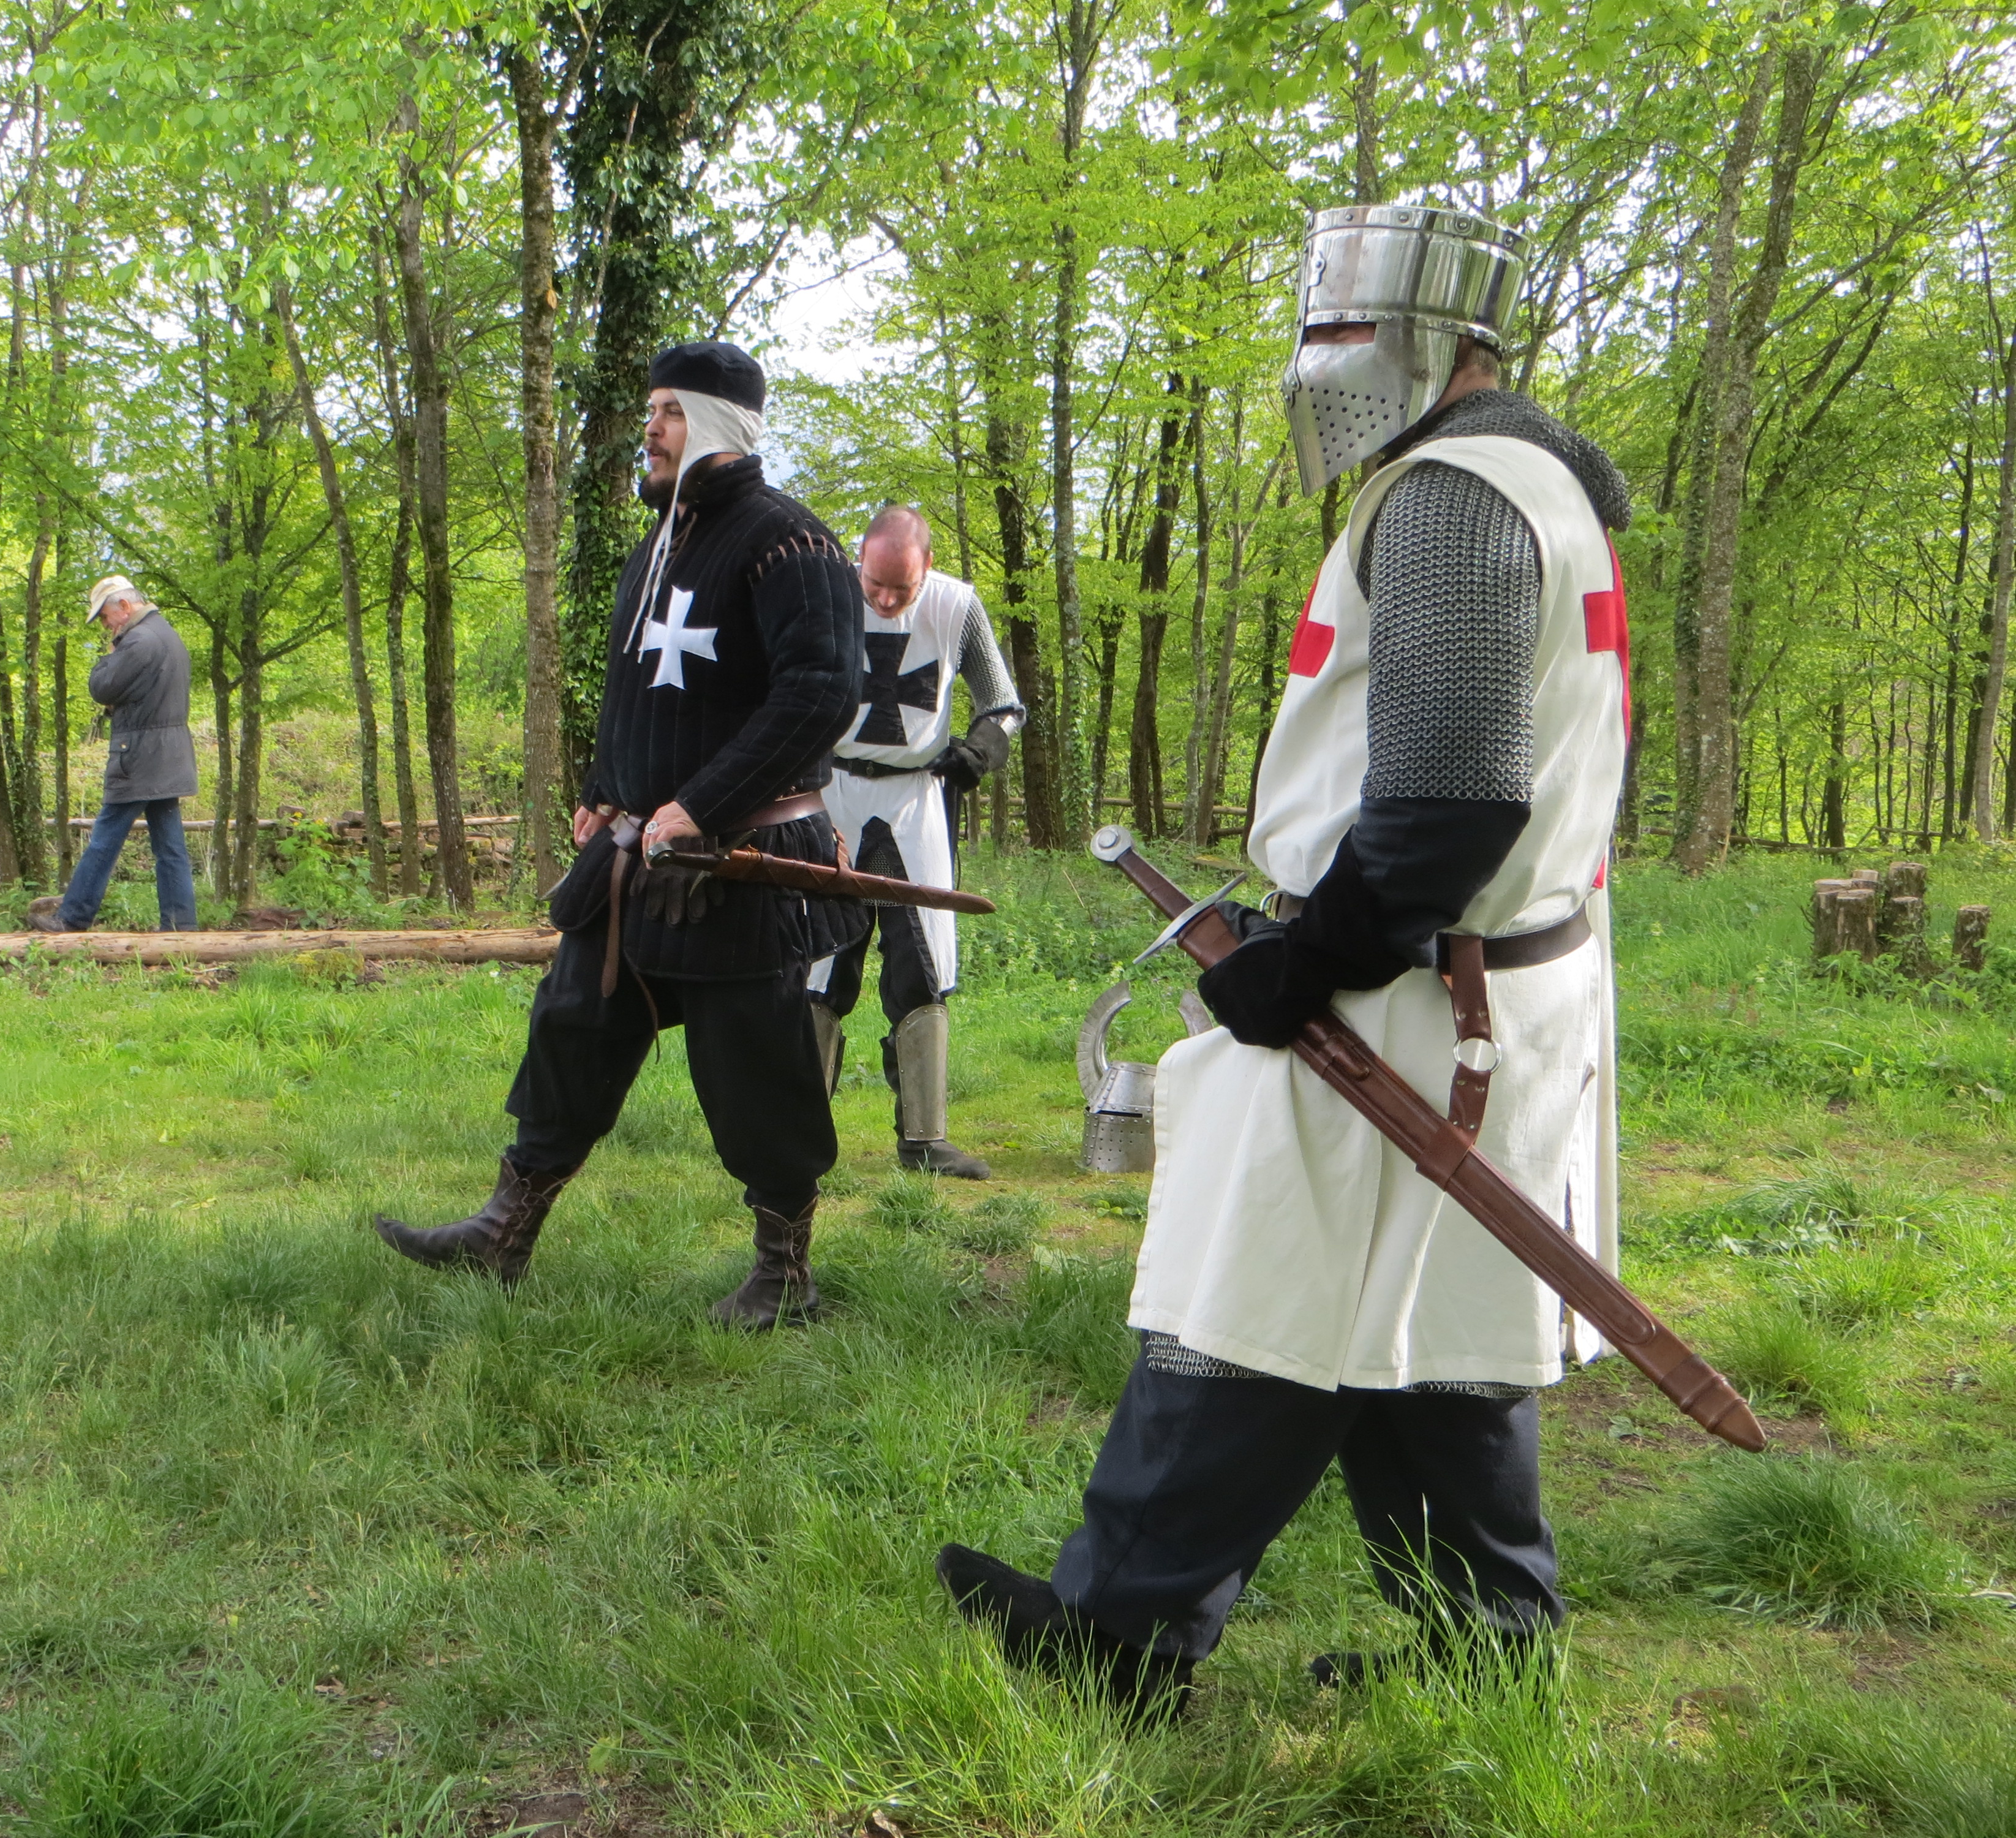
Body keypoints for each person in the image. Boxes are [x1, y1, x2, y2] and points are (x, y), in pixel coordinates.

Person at [937, 203, 1633, 1710]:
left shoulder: (1452, 494)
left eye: (1343, 331)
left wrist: (1308, 955)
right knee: (1427, 1313)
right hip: (1482, 983)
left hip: (1409, 987)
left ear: (1439, 345)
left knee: (1248, 1294)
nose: (1319, 364)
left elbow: (1450, 794)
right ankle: (1487, 1654)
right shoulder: (1533, 483)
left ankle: (1116, 1639)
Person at [376, 341, 865, 1326]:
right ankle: (503, 1233)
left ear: (720, 423)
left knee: (754, 1066)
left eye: (671, 412)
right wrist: (610, 789)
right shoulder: (661, 545)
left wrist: (704, 804)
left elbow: (821, 695)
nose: (650, 428)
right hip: (638, 856)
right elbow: (640, 689)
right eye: (649, 410)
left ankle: (785, 1274)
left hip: (744, 862)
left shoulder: (791, 545)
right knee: (573, 1027)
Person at [807, 505, 1022, 1177]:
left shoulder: (956, 608)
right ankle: (796, 1133)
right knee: (817, 964)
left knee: (921, 963)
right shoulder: (824, 597)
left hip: (916, 801)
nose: (884, 599)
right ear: (858, 561)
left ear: (927, 567)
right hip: (831, 794)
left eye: (900, 588)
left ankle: (924, 1140)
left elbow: (1003, 705)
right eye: (874, 583)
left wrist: (980, 751)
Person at [33, 575, 200, 934]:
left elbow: (102, 687)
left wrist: (110, 656)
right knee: (170, 846)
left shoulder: (138, 641)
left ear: (124, 607)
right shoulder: (167, 635)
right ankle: (180, 925)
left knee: (104, 840)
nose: (106, 626)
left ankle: (73, 917)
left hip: (138, 757)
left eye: (105, 617)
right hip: (169, 756)